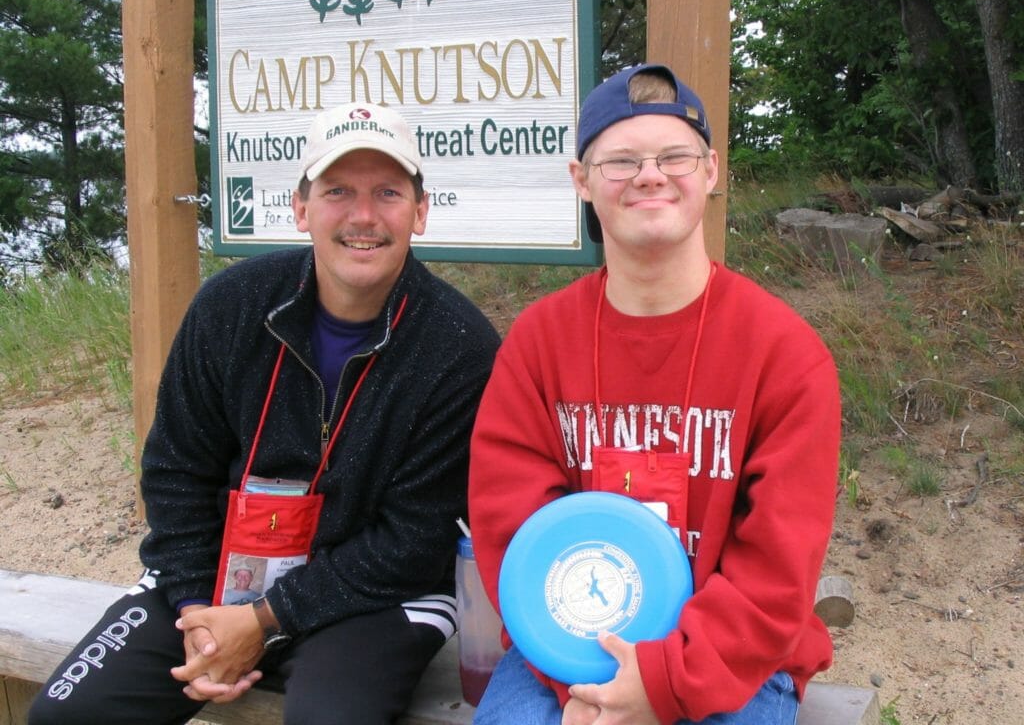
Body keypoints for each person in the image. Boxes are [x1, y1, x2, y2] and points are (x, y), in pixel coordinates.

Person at [29, 102, 501, 725]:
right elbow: (176, 471)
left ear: (420, 210)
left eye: (387, 192)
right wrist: (201, 611)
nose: (363, 215)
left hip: (375, 598)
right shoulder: (233, 305)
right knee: (67, 717)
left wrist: (261, 622)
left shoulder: (460, 346)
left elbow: (414, 541)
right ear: (301, 208)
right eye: (338, 191)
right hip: (220, 579)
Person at [467, 63, 841, 725]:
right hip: (564, 652)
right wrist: (582, 686)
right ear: (581, 180)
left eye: (675, 155)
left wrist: (663, 683)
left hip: (734, 661)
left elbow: (777, 572)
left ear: (711, 171)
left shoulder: (785, 355)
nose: (650, 174)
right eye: (621, 161)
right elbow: (513, 531)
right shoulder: (538, 343)